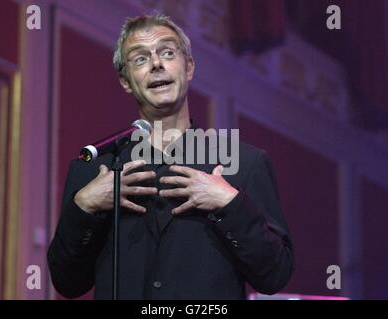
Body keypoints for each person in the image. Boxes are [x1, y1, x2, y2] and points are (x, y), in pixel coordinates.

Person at [47, 13, 294, 300]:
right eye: (140, 58)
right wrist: (84, 206)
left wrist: (230, 204)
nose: (156, 64)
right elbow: (67, 283)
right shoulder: (94, 170)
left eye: (167, 52)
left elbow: (275, 275)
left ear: (188, 67)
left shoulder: (244, 163)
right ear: (126, 81)